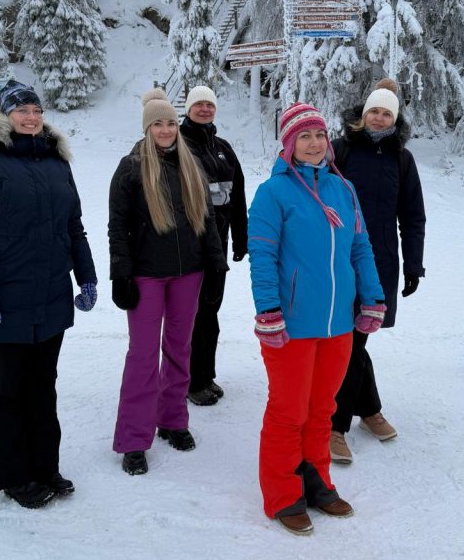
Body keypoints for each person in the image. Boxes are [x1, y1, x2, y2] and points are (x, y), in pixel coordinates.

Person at [0, 79, 97, 509]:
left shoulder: (57, 164)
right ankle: (15, 476)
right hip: (1, 300)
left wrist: (86, 276)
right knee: (4, 391)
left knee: (43, 387)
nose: (31, 117)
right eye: (21, 110)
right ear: (4, 115)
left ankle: (45, 467)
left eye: (36, 110)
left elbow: (73, 227)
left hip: (50, 297)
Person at [248, 102, 385, 536]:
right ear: (289, 143)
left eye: (320, 135)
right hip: (291, 323)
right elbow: (263, 257)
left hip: (337, 326)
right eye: (304, 136)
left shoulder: (342, 190)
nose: (314, 143)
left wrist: (372, 297)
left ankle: (317, 481)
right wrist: (269, 310)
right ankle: (283, 492)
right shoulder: (274, 193)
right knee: (289, 410)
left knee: (322, 409)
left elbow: (360, 248)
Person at [108, 88, 228, 476]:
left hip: (188, 273)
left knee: (180, 348)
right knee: (143, 356)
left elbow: (207, 222)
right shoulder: (130, 168)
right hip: (146, 275)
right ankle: (133, 438)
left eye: (170, 123)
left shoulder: (191, 165)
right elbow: (118, 228)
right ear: (147, 127)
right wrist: (121, 273)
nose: (165, 129)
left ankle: (173, 419)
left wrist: (216, 266)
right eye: (157, 123)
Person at [329, 79, 426, 464]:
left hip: (381, 261)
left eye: (387, 112)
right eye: (374, 110)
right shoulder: (340, 150)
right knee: (349, 342)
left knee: (357, 339)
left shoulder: (402, 159)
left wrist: (414, 264)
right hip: (340, 259)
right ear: (364, 113)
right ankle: (340, 424)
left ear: (394, 118)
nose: (379, 117)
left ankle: (361, 413)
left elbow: (413, 217)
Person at [179, 85, 248, 406]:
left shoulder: (222, 147)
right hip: (189, 246)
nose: (205, 109)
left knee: (210, 311)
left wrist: (240, 236)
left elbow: (238, 196)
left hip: (219, 244)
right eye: (199, 105)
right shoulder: (177, 146)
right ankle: (192, 381)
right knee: (194, 313)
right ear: (188, 108)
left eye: (209, 104)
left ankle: (205, 375)